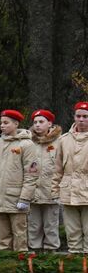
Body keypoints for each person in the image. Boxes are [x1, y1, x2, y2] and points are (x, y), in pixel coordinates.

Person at [0, 109, 36, 252]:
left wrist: (25, 198)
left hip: (16, 198)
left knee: (19, 234)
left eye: (6, 123)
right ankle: (4, 264)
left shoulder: (26, 145)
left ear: (16, 124)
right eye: (1, 123)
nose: (2, 126)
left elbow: (31, 174)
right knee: (3, 236)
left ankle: (20, 263)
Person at [55, 102, 88, 254]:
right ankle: (75, 262)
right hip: (68, 190)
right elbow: (58, 168)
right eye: (78, 116)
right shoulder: (63, 140)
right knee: (72, 230)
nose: (81, 119)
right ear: (74, 117)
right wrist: (55, 190)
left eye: (85, 116)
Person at [27, 109, 62, 251]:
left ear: (50, 123)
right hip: (33, 191)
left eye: (41, 122)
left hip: (50, 192)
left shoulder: (60, 142)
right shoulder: (29, 142)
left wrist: (59, 190)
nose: (37, 125)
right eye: (35, 122)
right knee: (33, 225)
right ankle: (34, 253)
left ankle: (50, 253)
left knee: (51, 225)